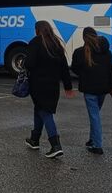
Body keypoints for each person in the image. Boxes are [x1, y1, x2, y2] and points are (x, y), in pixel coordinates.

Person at [23, 21, 75, 158]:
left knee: (45, 112)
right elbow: (64, 68)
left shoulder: (35, 42)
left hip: (38, 85)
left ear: (37, 30)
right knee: (39, 109)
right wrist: (68, 86)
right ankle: (34, 139)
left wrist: (25, 62)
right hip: (53, 86)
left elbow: (29, 63)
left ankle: (55, 144)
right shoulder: (56, 44)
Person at [71, 27, 112, 155]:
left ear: (83, 37)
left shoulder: (80, 52)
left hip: (89, 88)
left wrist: (84, 73)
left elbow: (75, 69)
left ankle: (97, 145)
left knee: (94, 116)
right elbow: (111, 70)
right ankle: (92, 139)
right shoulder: (106, 51)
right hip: (104, 88)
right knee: (95, 114)